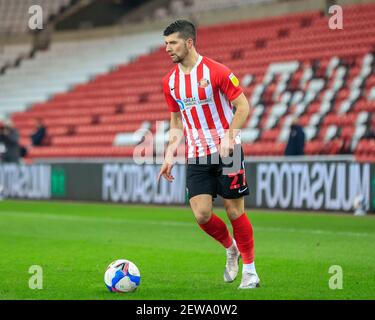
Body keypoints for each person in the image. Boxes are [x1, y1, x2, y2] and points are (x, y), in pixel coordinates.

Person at [157, 20, 260, 289]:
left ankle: (250, 272)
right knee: (202, 214)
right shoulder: (170, 82)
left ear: (189, 42)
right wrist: (170, 154)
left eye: (173, 43)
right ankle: (231, 248)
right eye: (166, 43)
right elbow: (176, 121)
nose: (167, 48)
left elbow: (243, 107)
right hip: (197, 154)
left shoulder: (217, 71)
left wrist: (228, 137)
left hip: (229, 150)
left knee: (234, 210)